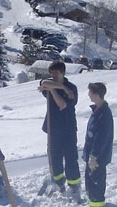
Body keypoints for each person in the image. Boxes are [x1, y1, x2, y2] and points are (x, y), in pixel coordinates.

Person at [38, 60, 80, 194]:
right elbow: (44, 83)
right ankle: (58, 182)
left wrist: (54, 90)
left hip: (68, 128)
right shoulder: (55, 85)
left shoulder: (72, 87)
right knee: (54, 157)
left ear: (62, 72)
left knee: (70, 157)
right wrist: (61, 88)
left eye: (56, 72)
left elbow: (62, 104)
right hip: (53, 127)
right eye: (52, 73)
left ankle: (74, 184)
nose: (53, 75)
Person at [83, 82, 114, 207]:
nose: (88, 95)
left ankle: (97, 205)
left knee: (96, 180)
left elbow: (101, 138)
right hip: (91, 154)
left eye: (90, 92)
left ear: (96, 95)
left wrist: (94, 155)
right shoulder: (97, 110)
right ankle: (92, 202)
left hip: (97, 156)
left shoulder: (104, 114)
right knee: (89, 178)